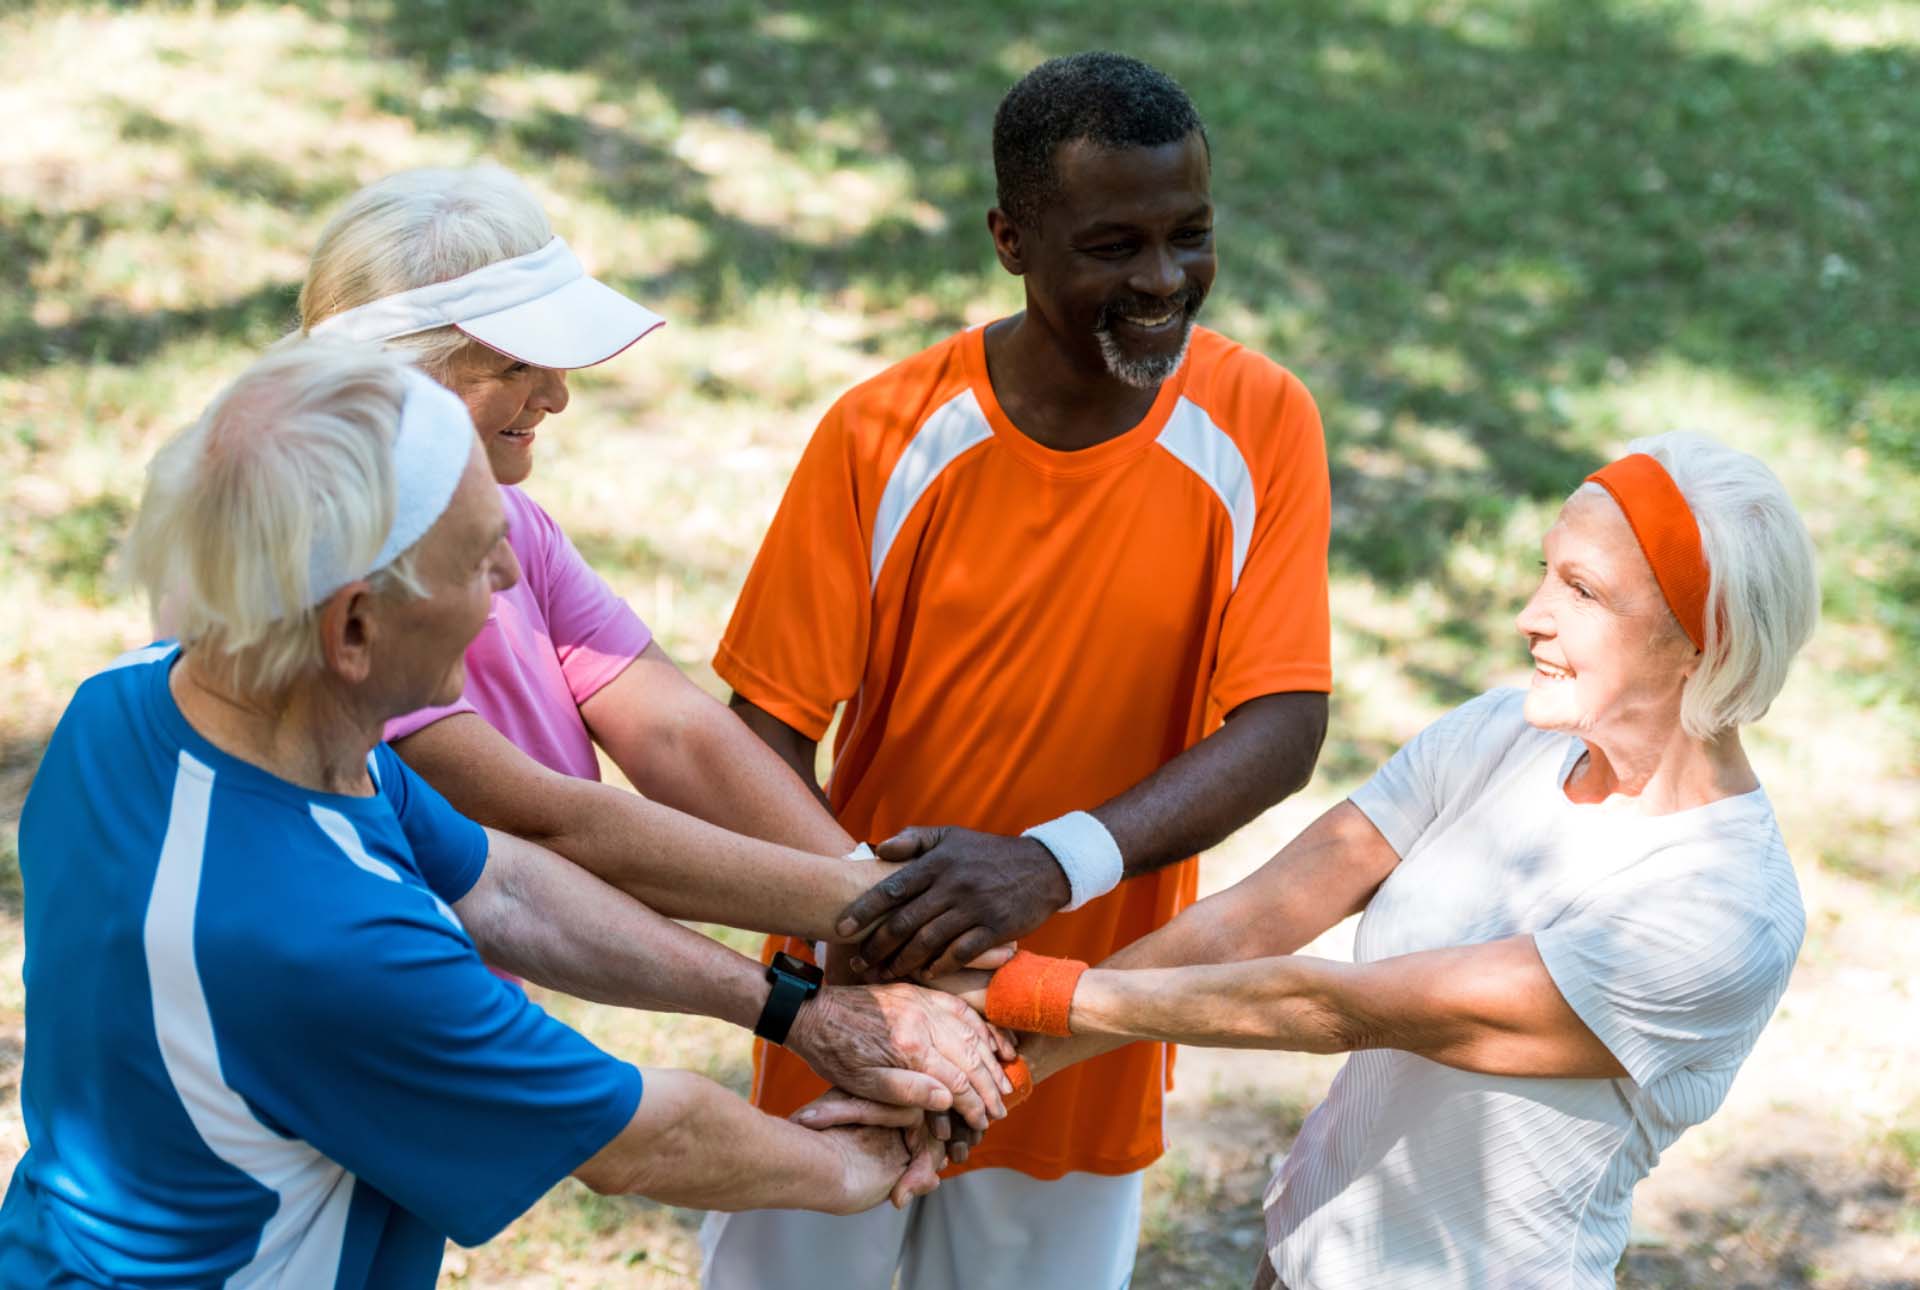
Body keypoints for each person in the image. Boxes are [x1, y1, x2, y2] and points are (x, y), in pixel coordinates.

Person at [0, 343, 976, 1289]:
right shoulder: (325, 941)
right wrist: (870, 1166)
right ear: (352, 628)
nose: (510, 581)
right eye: (477, 559)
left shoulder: (138, 707)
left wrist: (791, 1011)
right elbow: (639, 1140)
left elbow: (504, 886)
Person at [703, 51, 1333, 1288]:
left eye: (1190, 235)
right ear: (1011, 237)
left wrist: (1050, 866)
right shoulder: (883, 432)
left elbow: (1283, 722)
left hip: (1081, 1022)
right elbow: (760, 732)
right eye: (1112, 245)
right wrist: (862, 945)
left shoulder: (1262, 422)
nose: (1163, 281)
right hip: (860, 1008)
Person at [945, 432, 1819, 1289]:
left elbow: (1340, 1009)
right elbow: (1258, 917)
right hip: (1300, 1257)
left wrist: (1023, 992)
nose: (1531, 615)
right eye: (1547, 570)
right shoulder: (1501, 731)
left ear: (1705, 640)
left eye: (1583, 591)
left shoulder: (1722, 910)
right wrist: (994, 1074)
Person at [293, 165, 1017, 1148]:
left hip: (441, 986)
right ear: (397, 373)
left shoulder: (509, 519)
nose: (555, 395)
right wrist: (876, 917)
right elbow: (547, 826)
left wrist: (867, 906)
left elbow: (672, 729)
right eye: (514, 366)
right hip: (336, 1001)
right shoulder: (334, 562)